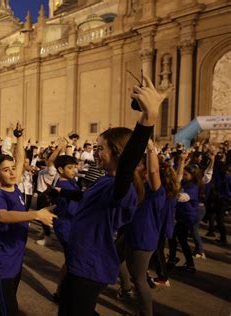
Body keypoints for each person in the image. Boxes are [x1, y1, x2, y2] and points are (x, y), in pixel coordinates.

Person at [58, 75, 172, 315]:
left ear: (117, 152)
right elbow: (87, 201)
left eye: (100, 148)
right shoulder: (105, 180)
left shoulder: (122, 186)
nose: (96, 153)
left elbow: (128, 163)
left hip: (90, 265)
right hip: (80, 260)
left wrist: (147, 120)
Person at [0, 122, 57, 316]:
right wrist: (35, 215)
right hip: (2, 261)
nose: (12, 172)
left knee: (5, 303)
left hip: (16, 257)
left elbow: (20, 160)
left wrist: (19, 138)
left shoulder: (16, 186)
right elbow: (2, 216)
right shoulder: (1, 196)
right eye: (6, 170)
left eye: (12, 169)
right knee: (9, 308)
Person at [116, 140, 165, 316]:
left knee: (139, 278)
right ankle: (125, 288)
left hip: (143, 239)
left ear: (144, 169)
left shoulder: (155, 190)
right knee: (114, 257)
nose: (135, 167)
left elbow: (154, 170)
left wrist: (151, 149)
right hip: (130, 233)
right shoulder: (136, 187)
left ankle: (146, 314)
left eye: (139, 165)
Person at [51, 155, 80, 302]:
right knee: (72, 261)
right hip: (67, 227)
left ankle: (60, 292)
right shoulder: (65, 185)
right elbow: (73, 210)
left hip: (68, 225)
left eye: (75, 167)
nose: (74, 170)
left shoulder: (69, 181)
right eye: (70, 167)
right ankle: (62, 293)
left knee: (70, 261)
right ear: (60, 170)